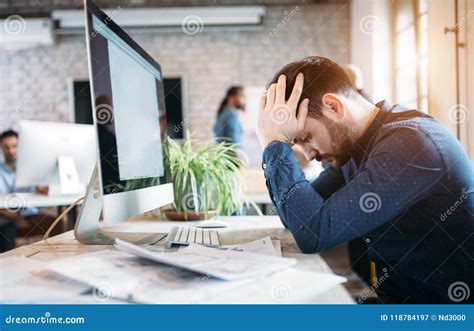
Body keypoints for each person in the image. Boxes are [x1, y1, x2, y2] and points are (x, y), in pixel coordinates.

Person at [256, 56, 474, 303]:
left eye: (306, 137)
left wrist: (275, 145)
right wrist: (273, 145)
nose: (309, 154)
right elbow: (295, 219)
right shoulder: (355, 147)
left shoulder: (411, 143)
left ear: (334, 107)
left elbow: (312, 234)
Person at [0, 129, 59, 250]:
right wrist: (17, 219)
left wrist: (42, 189)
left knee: (58, 223)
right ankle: (9, 265)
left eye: (14, 146)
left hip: (28, 215)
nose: (11, 151)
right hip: (7, 218)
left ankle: (59, 260)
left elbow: (39, 190)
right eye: (6, 147)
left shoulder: (29, 167)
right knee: (8, 228)